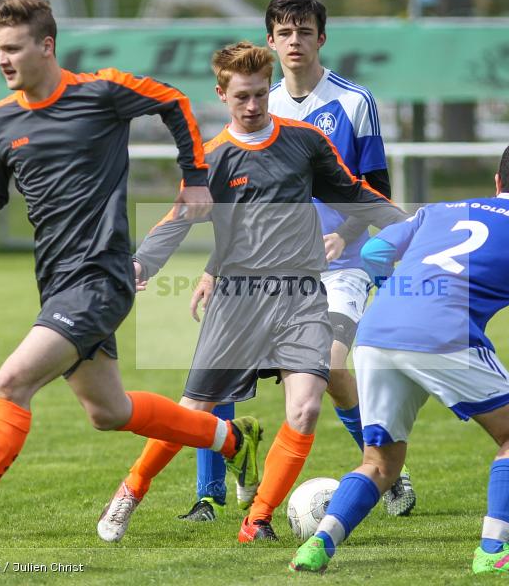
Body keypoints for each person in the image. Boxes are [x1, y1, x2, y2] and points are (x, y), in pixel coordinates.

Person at [0, 0, 263, 554]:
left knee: (12, 381)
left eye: (13, 48)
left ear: (47, 45)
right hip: (57, 282)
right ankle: (231, 439)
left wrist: (195, 176)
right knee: (110, 412)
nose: (3, 60)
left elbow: (174, 101)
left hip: (100, 278)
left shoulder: (100, 92)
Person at [96, 41, 409, 544]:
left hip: (302, 297)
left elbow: (355, 192)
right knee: (192, 410)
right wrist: (142, 262)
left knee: (305, 407)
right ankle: (129, 491)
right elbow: (178, 219)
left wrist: (411, 228)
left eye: (261, 94)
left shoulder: (305, 141)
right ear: (221, 94)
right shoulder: (213, 159)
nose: (253, 105)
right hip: (238, 302)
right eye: (242, 96)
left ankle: (257, 519)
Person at [289, 137, 509, 574]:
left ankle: (318, 544)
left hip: (377, 331)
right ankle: (494, 552)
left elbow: (375, 251)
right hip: (444, 336)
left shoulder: (440, 210)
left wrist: (400, 290)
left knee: (380, 461)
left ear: (497, 181)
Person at [175, 0, 416, 525]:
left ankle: (385, 471)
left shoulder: (355, 102)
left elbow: (374, 189)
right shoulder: (260, 101)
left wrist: (345, 231)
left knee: (330, 366)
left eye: (304, 31)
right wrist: (215, 269)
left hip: (343, 264)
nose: (295, 41)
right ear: (270, 41)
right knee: (218, 364)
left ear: (321, 38)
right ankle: (209, 494)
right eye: (284, 32)